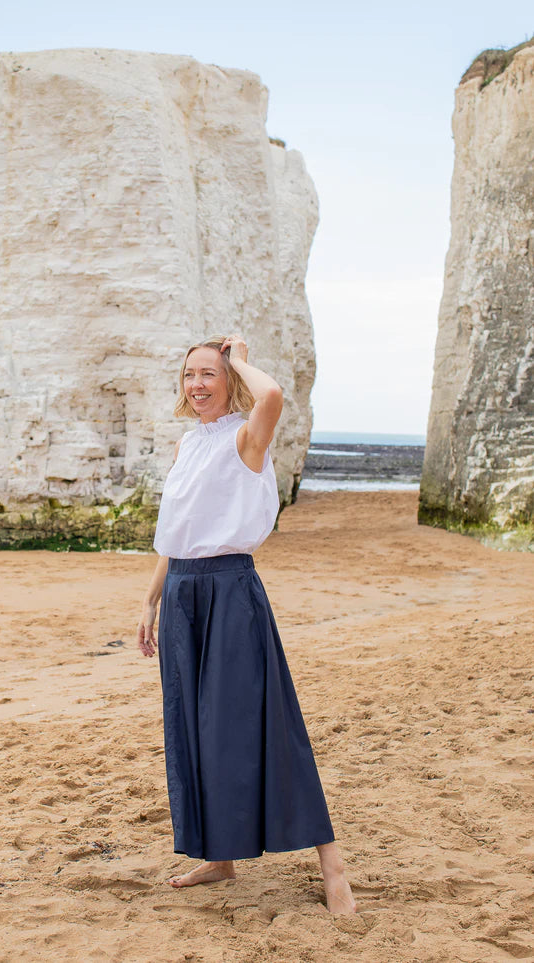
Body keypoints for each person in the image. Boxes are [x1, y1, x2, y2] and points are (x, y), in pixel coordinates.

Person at [136, 334, 356, 914]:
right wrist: (150, 601)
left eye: (209, 373)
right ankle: (221, 857)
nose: (198, 385)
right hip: (182, 591)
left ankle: (332, 867)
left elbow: (274, 395)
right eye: (189, 375)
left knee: (268, 724)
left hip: (230, 591)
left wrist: (240, 358)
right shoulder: (188, 446)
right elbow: (176, 531)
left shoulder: (244, 438)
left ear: (230, 379)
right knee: (195, 728)